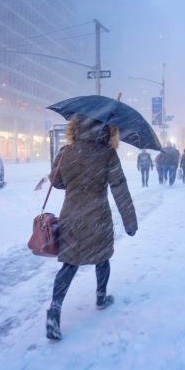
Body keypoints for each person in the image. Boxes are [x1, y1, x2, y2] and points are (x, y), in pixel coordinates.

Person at [47, 115, 138, 340]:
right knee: (102, 257)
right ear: (106, 130)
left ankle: (54, 310)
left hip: (71, 215)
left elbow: (57, 182)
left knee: (69, 263)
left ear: (76, 127)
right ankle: (100, 296)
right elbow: (119, 188)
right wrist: (130, 222)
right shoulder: (107, 154)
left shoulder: (66, 152)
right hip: (98, 215)